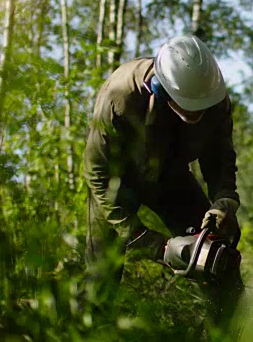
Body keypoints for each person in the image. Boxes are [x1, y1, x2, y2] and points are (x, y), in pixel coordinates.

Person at [83, 35, 242, 320]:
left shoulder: (215, 100)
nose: (198, 112)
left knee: (215, 256)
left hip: (171, 177)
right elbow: (98, 174)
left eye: (202, 106)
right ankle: (90, 329)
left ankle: (228, 328)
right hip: (115, 183)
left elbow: (220, 159)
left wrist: (223, 201)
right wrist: (156, 245)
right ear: (161, 89)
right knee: (101, 276)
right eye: (189, 106)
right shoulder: (120, 96)